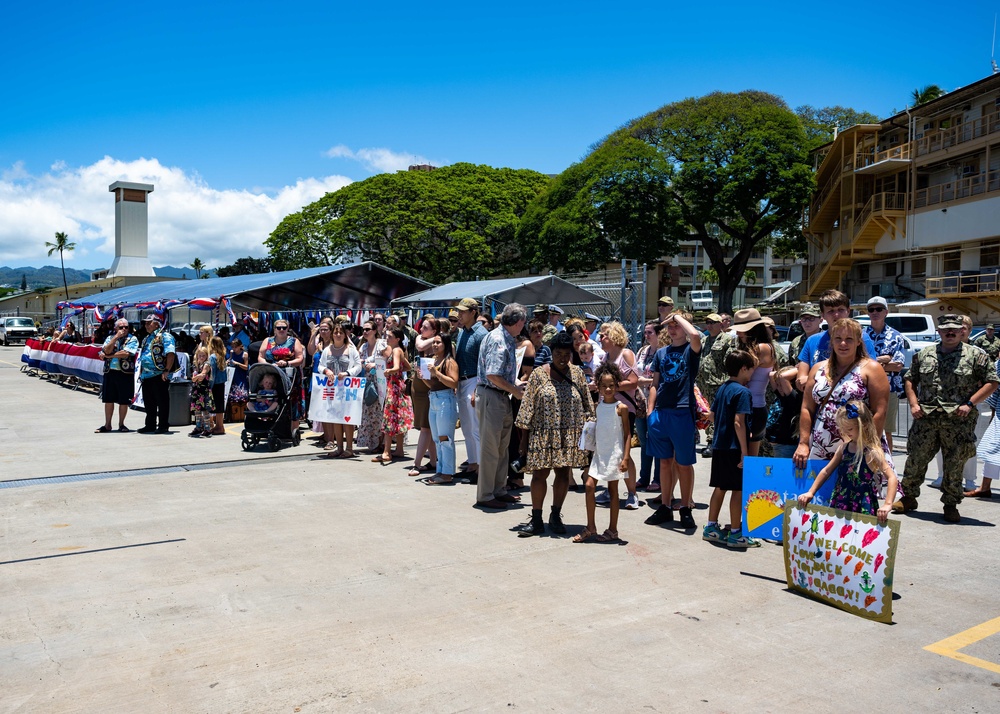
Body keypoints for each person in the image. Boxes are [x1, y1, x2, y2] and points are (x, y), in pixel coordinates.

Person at [893, 314, 999, 523]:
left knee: (954, 464)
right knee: (916, 459)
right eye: (945, 329)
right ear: (939, 331)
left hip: (958, 421)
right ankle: (909, 498)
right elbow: (910, 379)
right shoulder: (924, 354)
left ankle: (950, 504)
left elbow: (992, 382)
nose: (950, 332)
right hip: (926, 418)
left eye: (954, 329)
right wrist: (914, 404)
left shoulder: (976, 356)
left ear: (962, 331)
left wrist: (970, 404)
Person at [512, 331, 593, 535]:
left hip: (569, 435)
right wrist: (523, 442)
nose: (563, 358)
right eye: (558, 353)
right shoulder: (539, 375)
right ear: (552, 353)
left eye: (567, 354)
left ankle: (555, 515)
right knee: (539, 475)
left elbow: (588, 406)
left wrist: (589, 436)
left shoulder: (578, 374)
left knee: (563, 474)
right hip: (542, 434)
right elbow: (526, 409)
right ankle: (537, 519)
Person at [794, 319, 889, 466]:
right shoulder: (817, 368)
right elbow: (806, 408)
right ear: (831, 341)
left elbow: (879, 412)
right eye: (838, 338)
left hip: (859, 446)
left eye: (849, 339)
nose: (843, 344)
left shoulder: (872, 369)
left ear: (858, 341)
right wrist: (803, 443)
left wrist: (868, 446)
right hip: (821, 447)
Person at [644, 311, 702, 530]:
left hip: (681, 411)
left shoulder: (690, 349)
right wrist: (651, 412)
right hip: (661, 413)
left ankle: (685, 507)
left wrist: (677, 317)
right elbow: (654, 384)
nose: (672, 328)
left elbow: (695, 336)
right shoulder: (661, 353)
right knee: (665, 462)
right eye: (669, 325)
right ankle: (666, 506)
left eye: (676, 325)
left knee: (684, 464)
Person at [798, 400, 898, 523]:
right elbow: (826, 471)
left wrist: (888, 504)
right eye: (843, 428)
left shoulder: (873, 452)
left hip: (862, 503)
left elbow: (892, 477)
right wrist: (810, 492)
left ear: (863, 425)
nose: (845, 432)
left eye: (849, 428)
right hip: (841, 500)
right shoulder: (844, 448)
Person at [474, 303, 527, 510]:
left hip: (500, 396)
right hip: (493, 396)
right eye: (523, 322)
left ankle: (498, 489)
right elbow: (492, 374)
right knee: (491, 448)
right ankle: (486, 495)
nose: (524, 326)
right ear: (517, 322)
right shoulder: (498, 340)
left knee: (502, 447)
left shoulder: (504, 338)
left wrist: (514, 386)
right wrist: (514, 390)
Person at [702, 349, 757, 548]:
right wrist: (744, 450)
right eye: (751, 370)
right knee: (738, 489)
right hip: (734, 448)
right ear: (743, 369)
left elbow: (713, 415)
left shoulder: (723, 388)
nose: (752, 374)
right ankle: (735, 532)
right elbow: (738, 422)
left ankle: (711, 527)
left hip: (719, 445)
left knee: (720, 486)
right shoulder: (743, 392)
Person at [573, 362, 630, 543]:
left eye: (611, 385)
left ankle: (613, 529)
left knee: (613, 491)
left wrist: (626, 457)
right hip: (599, 453)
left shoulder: (621, 408)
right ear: (598, 386)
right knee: (589, 486)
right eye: (604, 385)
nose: (608, 389)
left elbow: (628, 434)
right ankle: (591, 526)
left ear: (617, 385)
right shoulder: (598, 406)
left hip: (615, 454)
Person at [594, 321, 641, 510]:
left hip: (624, 409)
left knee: (624, 450)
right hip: (606, 409)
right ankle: (610, 488)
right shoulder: (605, 357)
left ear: (614, 336)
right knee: (609, 449)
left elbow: (633, 382)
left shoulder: (626, 354)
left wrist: (610, 388)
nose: (600, 338)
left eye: (604, 335)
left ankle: (632, 493)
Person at [795, 290, 876, 391]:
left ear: (848, 311)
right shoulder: (812, 341)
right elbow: (801, 378)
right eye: (831, 311)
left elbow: (872, 372)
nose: (836, 315)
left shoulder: (862, 338)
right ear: (823, 315)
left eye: (840, 310)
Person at [863, 296, 905, 452]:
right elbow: (856, 363)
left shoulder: (896, 336)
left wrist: (870, 362)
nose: (875, 312)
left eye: (879, 309)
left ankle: (887, 468)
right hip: (863, 388)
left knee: (885, 432)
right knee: (861, 428)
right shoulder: (861, 335)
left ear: (886, 312)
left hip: (888, 389)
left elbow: (897, 366)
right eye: (871, 309)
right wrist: (883, 360)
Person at [731, 309, 775, 457]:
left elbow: (743, 377)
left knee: (748, 458)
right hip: (746, 406)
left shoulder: (761, 348)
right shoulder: (751, 347)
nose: (738, 334)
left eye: (741, 331)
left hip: (754, 409)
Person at [454, 297, 489, 479]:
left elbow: (484, 364)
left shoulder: (481, 334)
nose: (459, 314)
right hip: (461, 381)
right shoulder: (462, 333)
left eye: (463, 311)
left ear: (473, 312)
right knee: (467, 427)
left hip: (474, 380)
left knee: (475, 428)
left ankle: (481, 467)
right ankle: (473, 463)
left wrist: (478, 389)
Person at [422, 332, 460, 484]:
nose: (435, 345)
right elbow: (434, 385)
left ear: (446, 345)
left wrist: (436, 373)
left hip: (446, 400)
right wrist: (424, 378)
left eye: (438, 342)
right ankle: (441, 470)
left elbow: (453, 383)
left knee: (445, 438)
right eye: (434, 342)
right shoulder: (435, 360)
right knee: (437, 438)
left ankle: (447, 473)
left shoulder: (449, 362)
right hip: (434, 398)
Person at [320, 322, 362, 458]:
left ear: (345, 335)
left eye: (341, 332)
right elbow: (320, 366)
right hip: (332, 388)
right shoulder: (327, 350)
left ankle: (349, 448)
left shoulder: (351, 349)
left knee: (347, 419)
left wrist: (348, 373)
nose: (338, 335)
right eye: (336, 332)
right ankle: (339, 447)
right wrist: (326, 370)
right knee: (336, 418)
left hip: (347, 388)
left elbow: (358, 366)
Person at [374, 326, 413, 463]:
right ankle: (399, 449)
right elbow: (407, 366)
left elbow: (397, 367)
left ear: (397, 339)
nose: (387, 338)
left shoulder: (396, 350)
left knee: (389, 418)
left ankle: (387, 451)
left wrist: (389, 371)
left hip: (394, 387)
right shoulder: (400, 350)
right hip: (398, 385)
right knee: (398, 418)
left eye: (390, 336)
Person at [258, 320, 305, 434]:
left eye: (284, 327)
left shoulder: (294, 341)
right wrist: (268, 365)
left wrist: (288, 363)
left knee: (293, 400)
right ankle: (269, 426)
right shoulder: (267, 341)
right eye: (278, 328)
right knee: (271, 398)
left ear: (287, 328)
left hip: (289, 374)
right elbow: (260, 356)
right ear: (274, 329)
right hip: (272, 373)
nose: (281, 330)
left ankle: (294, 429)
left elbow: (300, 358)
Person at [408, 314, 439, 477]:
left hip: (429, 388)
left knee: (426, 429)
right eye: (421, 326)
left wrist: (436, 339)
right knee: (427, 428)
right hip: (418, 387)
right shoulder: (424, 339)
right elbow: (419, 345)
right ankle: (433, 462)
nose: (421, 329)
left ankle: (417, 463)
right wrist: (434, 338)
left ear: (434, 330)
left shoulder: (439, 343)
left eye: (425, 327)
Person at [96, 318, 138, 433]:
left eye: (126, 327)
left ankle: (121, 424)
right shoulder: (110, 338)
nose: (124, 329)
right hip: (110, 371)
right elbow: (106, 349)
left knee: (123, 400)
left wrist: (108, 356)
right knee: (108, 399)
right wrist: (115, 338)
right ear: (115, 328)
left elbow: (126, 353)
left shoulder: (132, 339)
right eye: (121, 327)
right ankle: (107, 424)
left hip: (124, 373)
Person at [635, 320, 663, 491]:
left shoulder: (663, 352)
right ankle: (643, 477)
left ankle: (658, 479)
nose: (646, 336)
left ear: (659, 334)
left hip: (657, 402)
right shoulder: (642, 351)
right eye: (645, 332)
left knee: (657, 441)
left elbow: (662, 378)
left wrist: (644, 381)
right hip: (640, 402)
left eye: (650, 332)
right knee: (644, 442)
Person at [137, 314, 176, 434]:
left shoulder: (165, 336)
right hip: (146, 375)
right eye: (145, 323)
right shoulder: (147, 338)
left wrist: (167, 370)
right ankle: (150, 424)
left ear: (157, 324)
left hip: (159, 374)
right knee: (149, 402)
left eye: (149, 323)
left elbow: (170, 353)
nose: (146, 325)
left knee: (162, 401)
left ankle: (163, 425)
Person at [356, 320, 388, 454]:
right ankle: (372, 442)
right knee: (369, 412)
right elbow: (357, 360)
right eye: (364, 329)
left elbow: (388, 358)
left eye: (368, 329)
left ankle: (381, 442)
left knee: (379, 413)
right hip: (368, 381)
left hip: (380, 380)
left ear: (375, 331)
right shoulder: (363, 346)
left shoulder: (382, 344)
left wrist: (375, 365)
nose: (365, 332)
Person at [189, 344, 215, 438]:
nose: (201, 357)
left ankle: (207, 428)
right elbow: (193, 378)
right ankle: (198, 427)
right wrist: (196, 377)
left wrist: (196, 377)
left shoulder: (207, 364)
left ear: (206, 356)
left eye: (203, 355)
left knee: (205, 411)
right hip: (197, 390)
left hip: (204, 390)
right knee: (197, 410)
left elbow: (202, 376)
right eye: (200, 355)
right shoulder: (196, 365)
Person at [785, 304, 822, 368]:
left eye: (811, 318)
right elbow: (791, 365)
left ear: (820, 320)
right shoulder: (796, 342)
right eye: (804, 319)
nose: (807, 322)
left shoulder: (826, 339)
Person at [207, 336, 228, 435]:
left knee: (215, 405)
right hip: (221, 383)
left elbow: (213, 373)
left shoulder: (212, 357)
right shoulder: (222, 355)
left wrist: (209, 385)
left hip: (215, 383)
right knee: (220, 406)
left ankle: (218, 426)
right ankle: (220, 425)